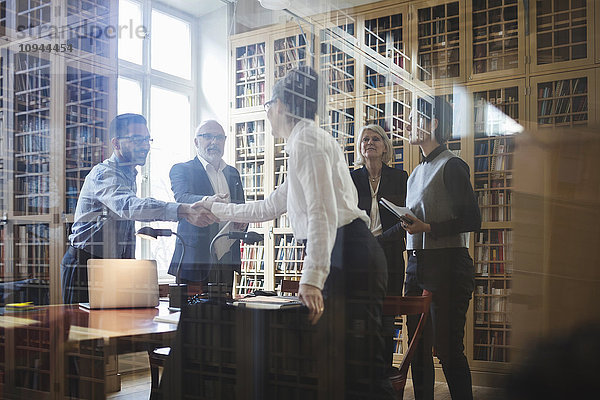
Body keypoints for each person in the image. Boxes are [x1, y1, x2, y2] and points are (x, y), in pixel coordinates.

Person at [195, 66, 395, 399]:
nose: (267, 113)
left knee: (361, 368)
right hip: (345, 251)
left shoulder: (308, 142)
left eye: (268, 105)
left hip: (348, 253)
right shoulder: (304, 141)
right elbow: (269, 207)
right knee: (343, 366)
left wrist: (312, 278)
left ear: (283, 106)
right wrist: (215, 208)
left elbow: (321, 213)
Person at [60, 113, 216, 304]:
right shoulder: (104, 173)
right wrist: (182, 210)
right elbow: (129, 207)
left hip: (113, 267)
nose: (145, 145)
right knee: (82, 331)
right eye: (137, 140)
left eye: (146, 139)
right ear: (116, 144)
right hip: (84, 265)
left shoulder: (129, 174)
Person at [400, 97, 481, 400]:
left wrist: (427, 228)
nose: (407, 124)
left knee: (447, 349)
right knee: (418, 349)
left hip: (448, 266)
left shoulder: (452, 165)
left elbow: (473, 219)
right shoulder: (415, 172)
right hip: (416, 267)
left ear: (431, 123)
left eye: (412, 119)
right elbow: (413, 221)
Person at [351, 124, 408, 374]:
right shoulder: (351, 178)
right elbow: (346, 218)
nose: (370, 143)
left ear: (385, 147)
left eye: (376, 139)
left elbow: (406, 220)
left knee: (386, 320)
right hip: (359, 260)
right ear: (360, 148)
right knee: (361, 320)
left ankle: (384, 374)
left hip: (390, 257)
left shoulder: (400, 177)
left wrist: (378, 242)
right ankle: (364, 378)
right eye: (365, 140)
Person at [168, 120, 245, 291]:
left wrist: (243, 220)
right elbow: (182, 197)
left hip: (227, 257)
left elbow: (241, 207)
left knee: (226, 314)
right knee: (191, 316)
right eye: (208, 137)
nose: (214, 142)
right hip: (195, 259)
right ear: (196, 141)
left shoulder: (233, 173)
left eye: (219, 138)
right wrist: (208, 200)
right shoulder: (181, 169)